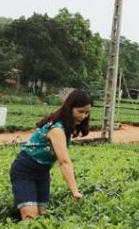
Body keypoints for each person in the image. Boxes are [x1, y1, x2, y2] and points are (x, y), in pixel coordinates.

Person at [9, 89, 91, 220]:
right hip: (24, 171)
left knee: (42, 217)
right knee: (30, 219)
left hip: (42, 173)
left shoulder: (66, 126)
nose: (83, 116)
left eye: (87, 112)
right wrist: (74, 191)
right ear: (70, 108)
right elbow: (64, 162)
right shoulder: (57, 129)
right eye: (80, 111)